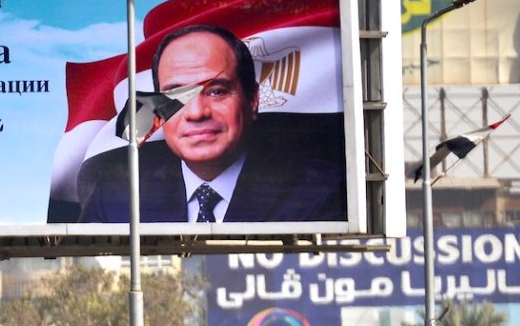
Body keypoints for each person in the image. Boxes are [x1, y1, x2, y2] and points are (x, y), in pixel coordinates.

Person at [70, 24, 344, 224]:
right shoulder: (117, 196)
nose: (197, 112)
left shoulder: (319, 193)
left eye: (217, 91)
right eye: (177, 95)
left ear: (252, 101)